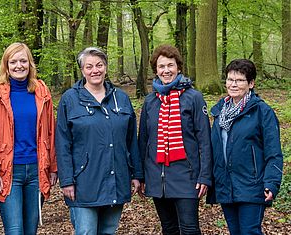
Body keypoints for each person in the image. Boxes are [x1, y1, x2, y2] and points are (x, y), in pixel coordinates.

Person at [55, 47, 143, 235]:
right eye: (89, 66)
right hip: (83, 182)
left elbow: (131, 141)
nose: (95, 70)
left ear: (105, 67)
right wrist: (67, 180)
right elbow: (62, 143)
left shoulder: (121, 99)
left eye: (99, 65)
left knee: (108, 231)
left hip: (116, 180)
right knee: (86, 231)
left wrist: (137, 174)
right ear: (82, 70)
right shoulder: (70, 100)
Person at [0, 42, 57, 235]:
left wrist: (53, 167)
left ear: (30, 63)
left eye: (23, 61)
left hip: (37, 170)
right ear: (6, 66)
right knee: (15, 230)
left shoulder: (41, 92)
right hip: (8, 172)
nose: (19, 66)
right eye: (13, 62)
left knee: (30, 230)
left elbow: (51, 132)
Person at [138, 44, 212, 235]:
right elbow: (143, 140)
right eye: (161, 66)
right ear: (156, 70)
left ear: (178, 67)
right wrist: (141, 175)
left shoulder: (193, 97)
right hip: (156, 177)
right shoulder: (150, 101)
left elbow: (204, 139)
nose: (166, 70)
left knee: (189, 229)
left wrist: (204, 175)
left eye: (170, 65)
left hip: (186, 176)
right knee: (168, 229)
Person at [208, 59, 283, 234]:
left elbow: (273, 152)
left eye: (239, 80)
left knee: (249, 231)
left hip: (252, 185)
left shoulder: (262, 112)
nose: (233, 84)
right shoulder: (220, 113)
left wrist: (271, 182)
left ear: (251, 83)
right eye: (230, 79)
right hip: (226, 186)